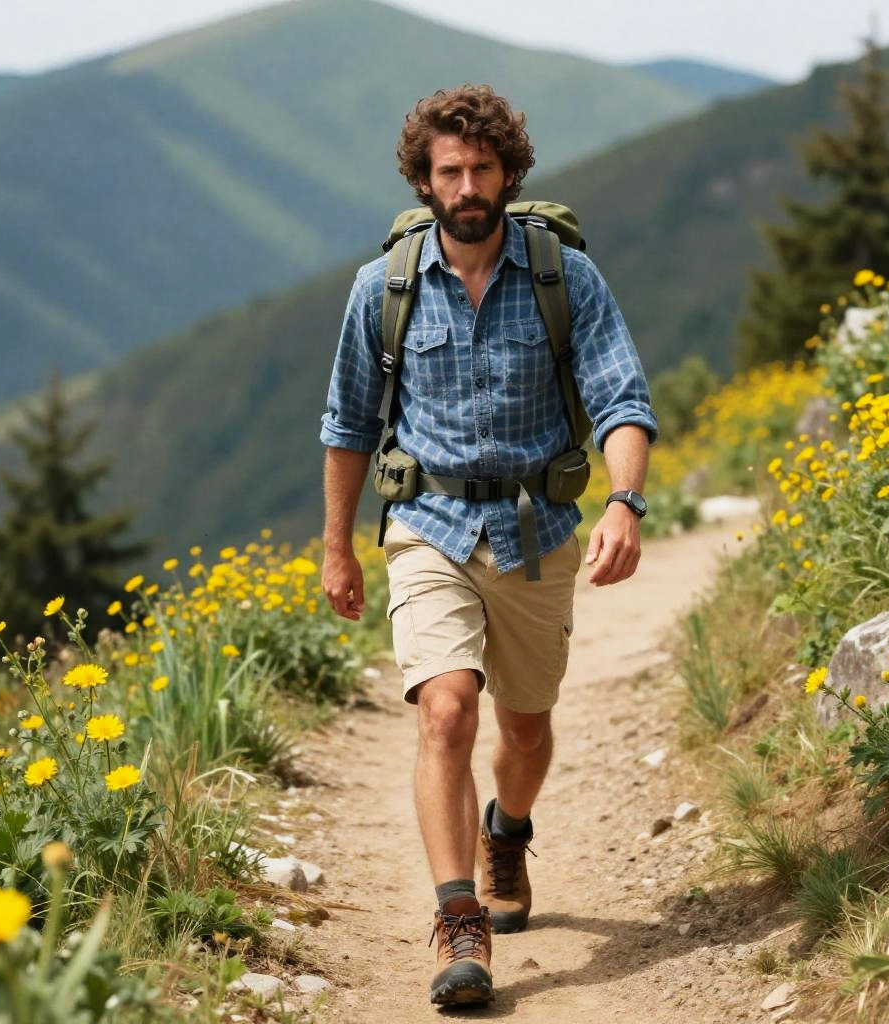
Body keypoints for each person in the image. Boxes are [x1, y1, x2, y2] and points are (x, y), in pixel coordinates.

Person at [319, 84, 657, 1007]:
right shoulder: (380, 288)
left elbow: (623, 398)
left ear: (509, 171)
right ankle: (458, 920)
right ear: (424, 183)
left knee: (525, 728)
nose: (467, 185)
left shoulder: (565, 278)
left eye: (482, 168)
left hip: (537, 531)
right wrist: (338, 547)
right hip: (426, 527)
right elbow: (347, 423)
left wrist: (624, 500)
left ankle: (506, 830)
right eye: (449, 171)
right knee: (446, 712)